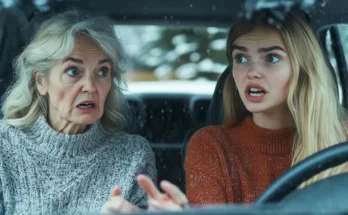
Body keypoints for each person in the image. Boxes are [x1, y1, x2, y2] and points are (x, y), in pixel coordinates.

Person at [110, 12, 348, 212]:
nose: (252, 72)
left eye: (271, 58)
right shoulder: (213, 146)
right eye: (241, 58)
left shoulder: (341, 141)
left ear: (303, 69)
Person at [0, 10, 156, 215]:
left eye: (102, 72)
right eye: (73, 71)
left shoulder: (134, 155)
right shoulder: (4, 146)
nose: (90, 87)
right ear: (41, 81)